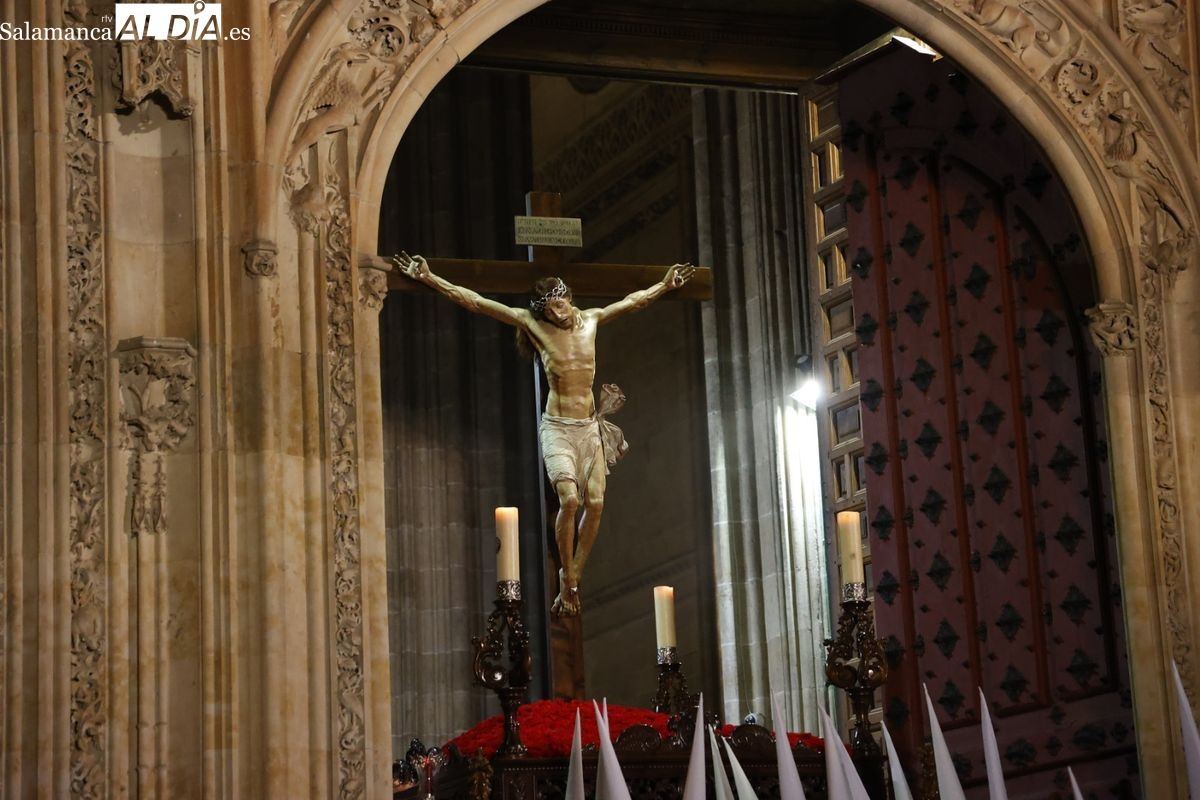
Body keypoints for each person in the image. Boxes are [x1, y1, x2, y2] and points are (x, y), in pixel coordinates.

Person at [392, 252, 695, 616]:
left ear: (569, 298)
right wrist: (429, 278)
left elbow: (633, 302)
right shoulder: (533, 325)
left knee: (596, 504)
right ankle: (568, 575)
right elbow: (474, 300)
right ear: (542, 312)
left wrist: (665, 284)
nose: (559, 312)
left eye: (561, 303)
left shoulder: (592, 320)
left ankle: (572, 577)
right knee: (570, 501)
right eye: (550, 308)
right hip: (558, 429)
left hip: (588, 428)